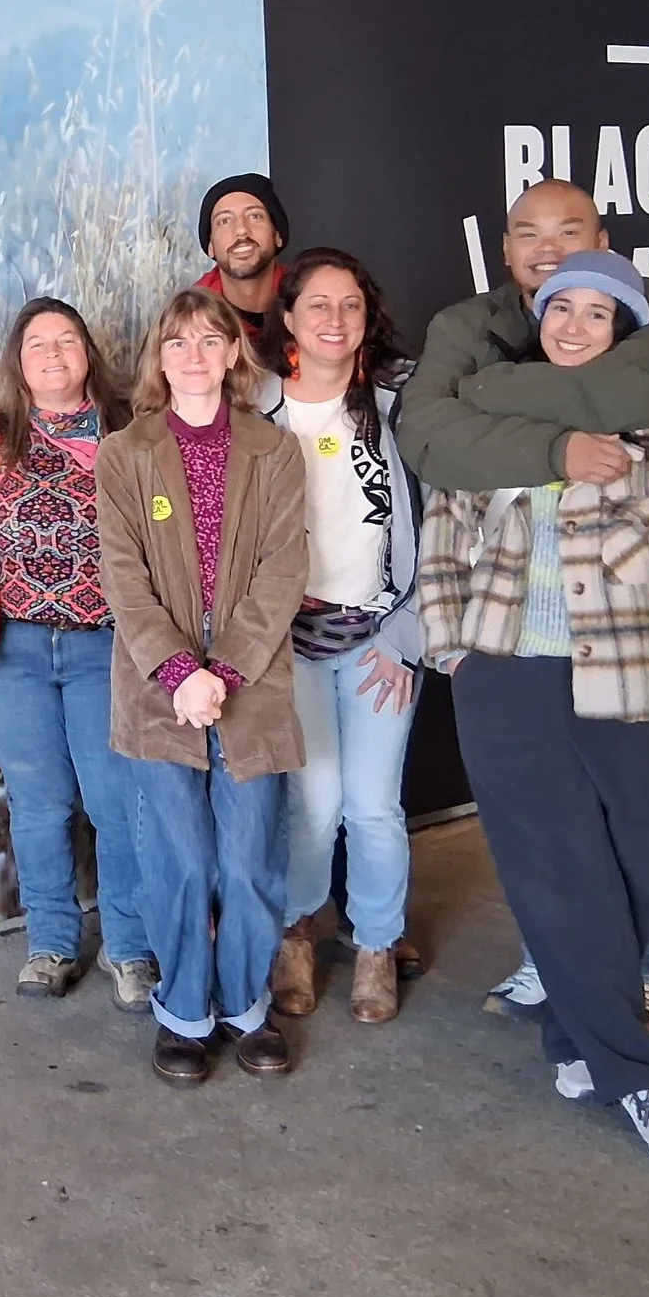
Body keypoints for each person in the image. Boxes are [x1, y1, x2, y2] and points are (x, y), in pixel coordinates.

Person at [418, 251, 649, 1157]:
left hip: (626, 680)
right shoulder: (490, 409)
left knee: (632, 873)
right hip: (508, 672)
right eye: (563, 308)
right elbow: (444, 533)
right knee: (558, 875)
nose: (574, 326)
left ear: (623, 334)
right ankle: (641, 1077)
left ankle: (574, 1036)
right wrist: (455, 649)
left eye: (599, 314)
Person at [397, 178, 649, 1038]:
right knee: (546, 826)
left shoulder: (648, 309)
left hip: (626, 635)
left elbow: (639, 400)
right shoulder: (467, 326)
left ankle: (645, 968)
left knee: (632, 825)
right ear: (505, 249)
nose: (547, 247)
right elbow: (429, 438)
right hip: (522, 635)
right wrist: (560, 445)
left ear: (600, 237)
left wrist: (490, 396)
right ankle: (562, 958)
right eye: (528, 233)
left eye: (568, 231)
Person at [97, 289, 310, 1083]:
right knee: (180, 858)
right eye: (178, 341)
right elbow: (123, 576)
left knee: (250, 853)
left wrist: (225, 671)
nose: (193, 354)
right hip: (159, 683)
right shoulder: (127, 452)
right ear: (161, 356)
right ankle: (186, 1011)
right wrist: (182, 672)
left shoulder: (273, 449)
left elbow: (286, 567)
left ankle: (246, 1006)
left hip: (250, 677)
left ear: (232, 354)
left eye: (209, 340)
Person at [0, 299, 153, 1010]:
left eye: (66, 339)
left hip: (108, 646)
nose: (53, 353)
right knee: (40, 800)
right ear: (17, 362)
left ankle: (131, 947)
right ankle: (52, 943)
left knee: (116, 800)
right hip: (11, 648)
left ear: (88, 350)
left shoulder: (132, 430)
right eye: (37, 343)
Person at [254, 249, 425, 1026]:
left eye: (349, 304)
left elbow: (444, 524)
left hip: (376, 639)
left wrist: (407, 635)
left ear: (368, 318)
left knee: (374, 805)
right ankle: (297, 932)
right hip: (287, 643)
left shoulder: (399, 405)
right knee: (313, 800)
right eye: (316, 304)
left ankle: (377, 945)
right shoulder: (256, 411)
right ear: (286, 317)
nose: (333, 318)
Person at [195, 172, 288, 326]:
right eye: (224, 221)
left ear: (277, 235)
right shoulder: (190, 319)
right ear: (210, 246)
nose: (241, 230)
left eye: (254, 216)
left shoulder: (306, 298)